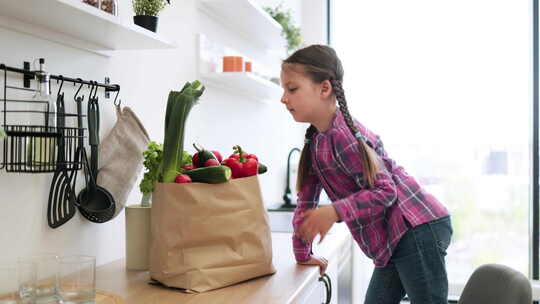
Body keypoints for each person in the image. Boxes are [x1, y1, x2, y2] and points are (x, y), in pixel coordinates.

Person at [280, 44, 453, 304]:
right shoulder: (315, 143)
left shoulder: (342, 136)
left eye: (292, 89)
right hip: (396, 237)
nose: (284, 97)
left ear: (324, 88)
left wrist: (334, 211)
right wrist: (302, 254)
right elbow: (306, 206)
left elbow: (386, 191)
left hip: (415, 226)